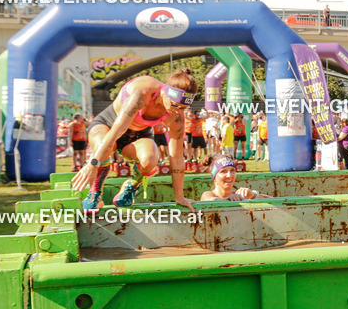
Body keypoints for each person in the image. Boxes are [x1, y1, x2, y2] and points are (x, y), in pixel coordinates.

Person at [72, 69, 196, 210]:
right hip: (108, 125)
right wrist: (93, 163)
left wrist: (180, 197)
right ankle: (95, 193)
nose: (178, 111)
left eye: (184, 108)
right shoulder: (143, 92)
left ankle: (132, 186)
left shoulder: (177, 116)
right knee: (104, 147)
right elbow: (115, 132)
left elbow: (177, 157)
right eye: (175, 105)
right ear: (164, 92)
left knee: (150, 160)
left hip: (137, 135)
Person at [200, 155, 271, 201]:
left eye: (232, 171)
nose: (229, 175)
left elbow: (275, 201)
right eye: (223, 171)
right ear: (215, 177)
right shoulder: (209, 194)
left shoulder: (237, 196)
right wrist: (228, 200)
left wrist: (253, 195)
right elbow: (208, 199)